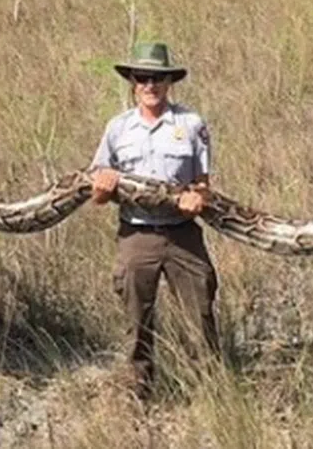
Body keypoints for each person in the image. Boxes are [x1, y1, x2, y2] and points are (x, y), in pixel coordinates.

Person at [90, 42, 220, 401]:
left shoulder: (191, 124)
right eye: (143, 77)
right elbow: (97, 194)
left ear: (169, 82)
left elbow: (204, 186)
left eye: (158, 78)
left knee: (201, 317)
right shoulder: (118, 128)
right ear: (132, 82)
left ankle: (211, 395)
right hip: (137, 234)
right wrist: (102, 187)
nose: (150, 84)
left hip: (182, 234)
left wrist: (199, 197)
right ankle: (139, 395)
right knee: (137, 321)